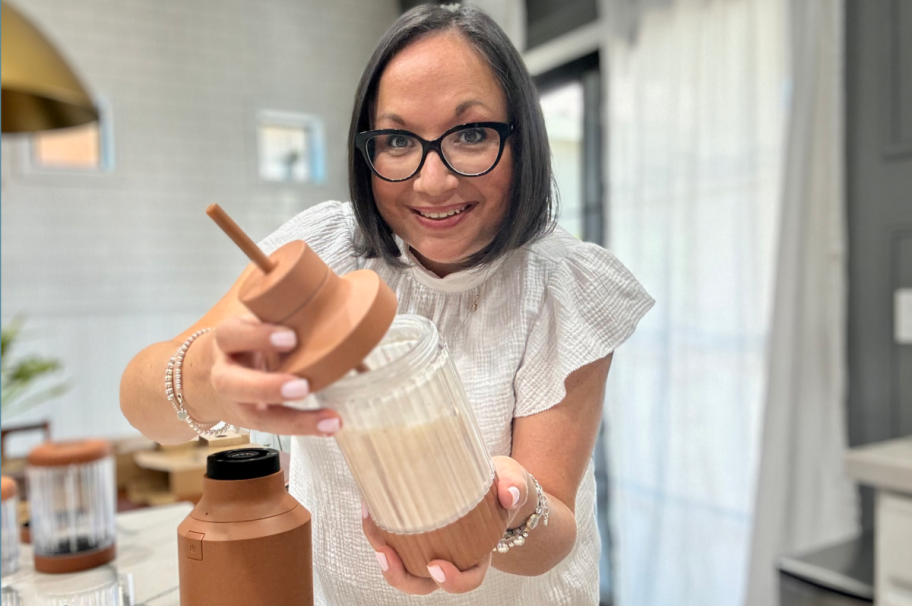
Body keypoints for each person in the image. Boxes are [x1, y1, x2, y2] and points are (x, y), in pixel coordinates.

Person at [120, 4, 653, 604]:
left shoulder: (560, 286)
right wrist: (211, 381)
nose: (431, 182)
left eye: (471, 134)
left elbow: (552, 538)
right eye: (398, 140)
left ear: (522, 139)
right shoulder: (321, 255)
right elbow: (141, 404)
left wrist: (512, 507)